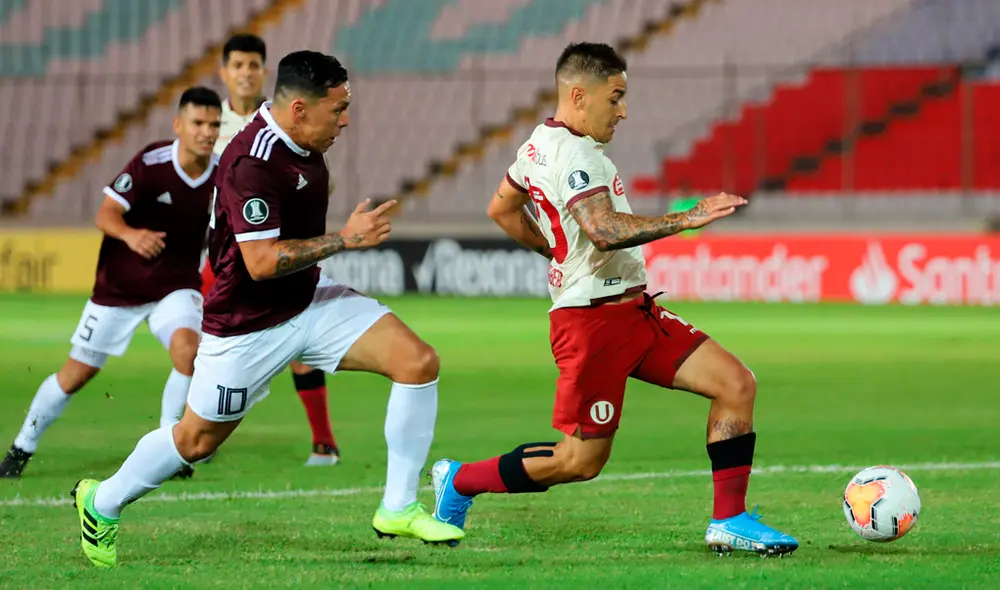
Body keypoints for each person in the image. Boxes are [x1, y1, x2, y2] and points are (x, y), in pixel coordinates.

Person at [70, 50, 464, 569]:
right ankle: (101, 503)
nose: (346, 120)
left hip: (309, 302)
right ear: (299, 109)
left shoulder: (301, 141)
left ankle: (398, 506)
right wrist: (343, 240)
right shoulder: (250, 162)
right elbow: (258, 262)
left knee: (418, 363)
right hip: (246, 327)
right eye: (338, 109)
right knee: (196, 440)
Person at [431, 42, 799, 556]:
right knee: (579, 461)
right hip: (591, 325)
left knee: (735, 383)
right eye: (616, 98)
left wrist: (557, 253)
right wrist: (685, 217)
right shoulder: (574, 154)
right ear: (579, 95)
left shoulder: (539, 143)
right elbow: (603, 229)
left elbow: (502, 208)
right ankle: (461, 480)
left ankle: (730, 521)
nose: (624, 110)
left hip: (634, 311)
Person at [0, 88, 222, 479]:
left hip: (175, 286)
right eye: (198, 123)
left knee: (189, 352)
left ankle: (169, 447)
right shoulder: (151, 164)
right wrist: (131, 235)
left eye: (214, 125)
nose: (207, 132)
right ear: (178, 125)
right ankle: (22, 447)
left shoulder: (222, 175)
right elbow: (106, 214)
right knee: (75, 375)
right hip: (119, 290)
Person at [206, 32, 341, 466]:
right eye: (238, 65)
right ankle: (194, 435)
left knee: (300, 340)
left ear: (265, 72)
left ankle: (323, 440)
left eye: (253, 65)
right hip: (226, 249)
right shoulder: (209, 122)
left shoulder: (290, 119)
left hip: (267, 243)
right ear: (224, 72)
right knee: (203, 347)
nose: (246, 73)